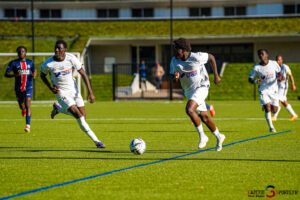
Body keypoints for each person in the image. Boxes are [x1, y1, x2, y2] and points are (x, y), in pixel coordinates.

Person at [40, 40, 105, 149]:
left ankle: (58, 109)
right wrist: (50, 87)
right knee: (79, 116)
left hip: (74, 91)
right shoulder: (48, 64)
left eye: (59, 48)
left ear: (65, 50)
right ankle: (97, 142)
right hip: (61, 93)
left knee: (83, 118)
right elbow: (42, 75)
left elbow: (83, 73)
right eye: (56, 48)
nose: (57, 50)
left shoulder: (71, 58)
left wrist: (90, 92)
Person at [170, 38, 225, 151]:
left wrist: (216, 75)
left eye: (176, 49)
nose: (174, 51)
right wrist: (175, 78)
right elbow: (173, 79)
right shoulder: (174, 61)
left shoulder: (197, 57)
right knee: (204, 117)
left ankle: (202, 136)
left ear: (183, 49)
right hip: (189, 91)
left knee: (189, 109)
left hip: (202, 86)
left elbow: (211, 58)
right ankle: (219, 136)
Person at [249, 49, 284, 132]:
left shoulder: (274, 64)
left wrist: (280, 78)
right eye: (259, 54)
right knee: (267, 108)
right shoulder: (256, 68)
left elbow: (280, 74)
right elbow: (250, 78)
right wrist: (255, 81)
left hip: (273, 90)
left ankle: (265, 105)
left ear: (267, 55)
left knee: (275, 110)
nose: (261, 55)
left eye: (262, 54)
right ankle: (271, 127)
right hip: (263, 90)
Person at [4, 46, 36, 132]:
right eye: (19, 51)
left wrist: (34, 74)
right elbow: (6, 74)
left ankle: (28, 125)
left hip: (28, 87)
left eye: (23, 51)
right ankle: (23, 110)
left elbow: (34, 70)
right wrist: (15, 75)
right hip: (18, 88)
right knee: (21, 105)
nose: (21, 53)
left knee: (27, 104)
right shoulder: (13, 63)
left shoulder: (30, 62)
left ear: (26, 53)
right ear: (17, 53)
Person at [272, 55, 298, 121]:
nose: (278, 61)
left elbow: (291, 76)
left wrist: (293, 84)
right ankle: (294, 115)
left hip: (283, 86)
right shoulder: (276, 67)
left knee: (278, 100)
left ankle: (274, 117)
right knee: (283, 101)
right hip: (278, 86)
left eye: (279, 60)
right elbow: (276, 77)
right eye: (277, 60)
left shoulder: (285, 67)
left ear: (282, 60)